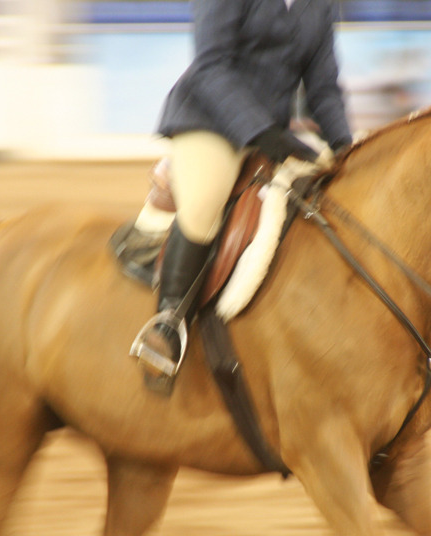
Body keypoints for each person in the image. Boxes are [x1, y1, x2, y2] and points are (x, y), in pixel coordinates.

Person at [114, 0, 353, 394]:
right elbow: (211, 66)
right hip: (210, 121)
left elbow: (323, 87)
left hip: (274, 134)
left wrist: (344, 145)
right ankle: (167, 324)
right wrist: (261, 132)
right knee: (204, 206)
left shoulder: (320, 4)